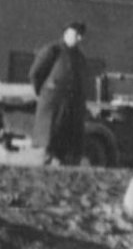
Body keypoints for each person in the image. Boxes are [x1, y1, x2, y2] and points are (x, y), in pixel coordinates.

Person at [29, 21, 89, 165]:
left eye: (81, 36)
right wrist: (45, 92)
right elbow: (36, 73)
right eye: (76, 34)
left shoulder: (79, 57)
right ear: (66, 33)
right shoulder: (53, 50)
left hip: (70, 107)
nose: (79, 38)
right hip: (53, 105)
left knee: (66, 146)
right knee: (49, 142)